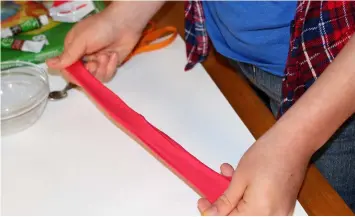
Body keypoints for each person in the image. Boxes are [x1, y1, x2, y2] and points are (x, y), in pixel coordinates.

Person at [47, 1, 355, 215]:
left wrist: (293, 142)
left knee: (327, 203)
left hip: (334, 88)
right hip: (242, 58)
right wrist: (127, 14)